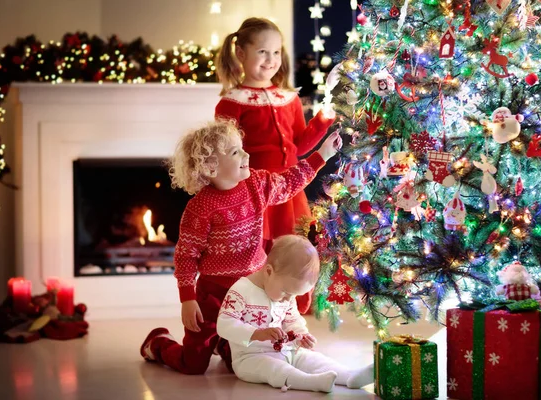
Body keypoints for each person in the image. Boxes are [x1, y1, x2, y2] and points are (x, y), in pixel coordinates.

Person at [140, 119, 341, 375]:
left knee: (241, 359)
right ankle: (157, 343)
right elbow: (186, 256)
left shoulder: (257, 184)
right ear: (211, 167)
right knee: (193, 364)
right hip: (212, 293)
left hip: (252, 288)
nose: (246, 154)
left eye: (242, 148)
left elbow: (290, 182)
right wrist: (187, 299)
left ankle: (224, 345)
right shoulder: (200, 208)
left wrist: (322, 154)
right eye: (236, 152)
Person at [215, 17, 336, 313]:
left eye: (276, 52)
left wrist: (327, 109)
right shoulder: (231, 103)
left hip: (291, 189)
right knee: (260, 251)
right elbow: (226, 154)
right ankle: (253, 313)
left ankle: (292, 314)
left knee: (295, 248)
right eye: (262, 52)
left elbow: (301, 145)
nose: (271, 60)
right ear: (241, 54)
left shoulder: (289, 98)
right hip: (255, 191)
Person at [216, 235, 373, 392]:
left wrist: (302, 335)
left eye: (293, 295)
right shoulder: (242, 290)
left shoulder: (285, 295)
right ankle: (308, 382)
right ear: (269, 271)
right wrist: (257, 334)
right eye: (286, 292)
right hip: (250, 358)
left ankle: (348, 376)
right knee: (274, 368)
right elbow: (224, 325)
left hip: (287, 351)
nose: (288, 299)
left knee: (312, 359)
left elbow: (293, 320)